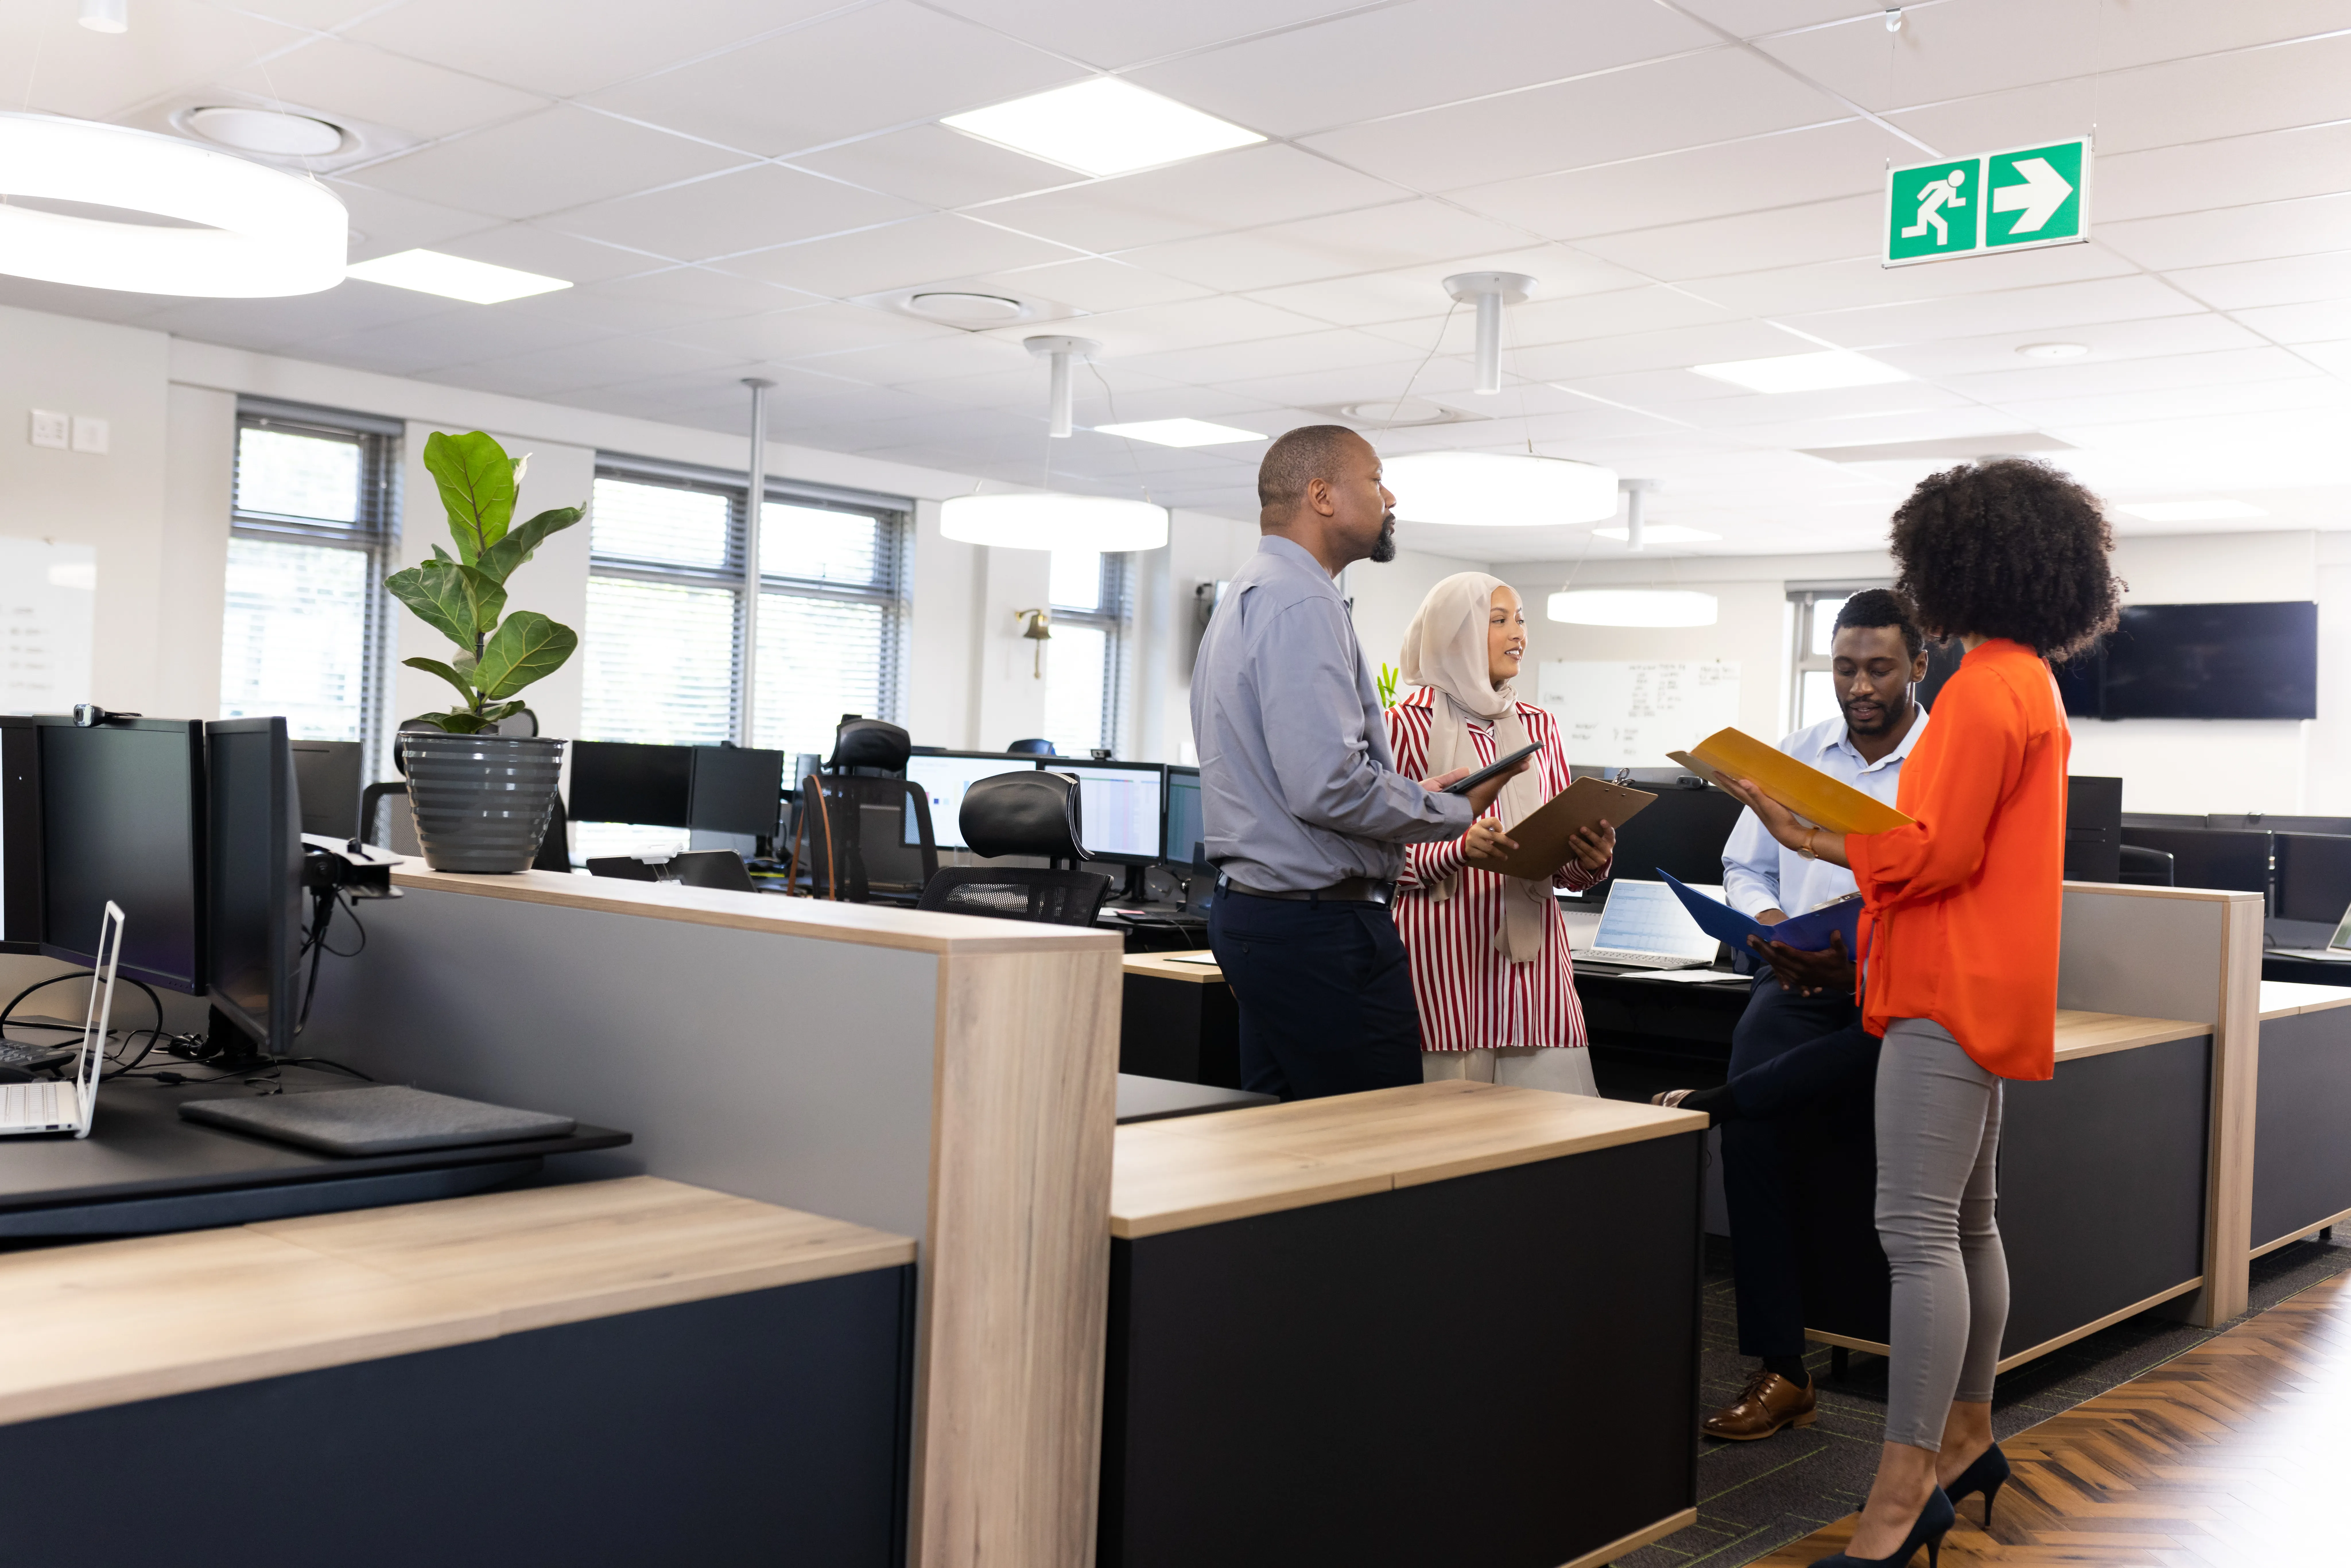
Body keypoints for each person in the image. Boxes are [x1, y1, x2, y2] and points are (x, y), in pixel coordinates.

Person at [1722, 458, 2119, 1568]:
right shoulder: (2027, 678)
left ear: (1956, 562)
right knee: (1968, 1222)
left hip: (1941, 985)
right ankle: (1966, 1434)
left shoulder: (1989, 688)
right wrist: (1814, 837)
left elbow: (1933, 851)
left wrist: (1811, 836)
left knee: (1912, 1234)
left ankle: (1901, 1491)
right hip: (1983, 982)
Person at [1661, 589, 1933, 1442]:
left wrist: (1851, 951)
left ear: (1918, 666)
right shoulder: (1796, 756)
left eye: (1879, 668)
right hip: (1793, 982)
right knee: (1753, 1132)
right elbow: (1747, 867)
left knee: (1787, 1106)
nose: (1859, 685)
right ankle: (1781, 1370)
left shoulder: (1942, 762)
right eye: (1845, 667)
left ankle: (1717, 1100)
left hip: (1884, 987)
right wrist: (1772, 927)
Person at [1194, 426, 1527, 1101]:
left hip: (1264, 913)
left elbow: (1295, 771)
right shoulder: (1304, 601)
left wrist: (1402, 791)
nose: (1390, 496)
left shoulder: (1251, 590)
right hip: (1318, 928)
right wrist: (1453, 807)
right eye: (1376, 480)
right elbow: (1326, 787)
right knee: (1375, 1144)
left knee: (1287, 1143)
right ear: (1322, 495)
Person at [1383, 573, 1616, 1094]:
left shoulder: (1539, 727)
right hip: (1443, 968)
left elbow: (1559, 863)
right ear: (1453, 633)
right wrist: (1457, 851)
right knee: (1452, 1148)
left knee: (1561, 1141)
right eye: (1499, 620)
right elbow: (1377, 858)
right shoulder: (1400, 727)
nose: (1519, 635)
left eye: (1522, 620)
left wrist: (1591, 857)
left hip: (1533, 977)